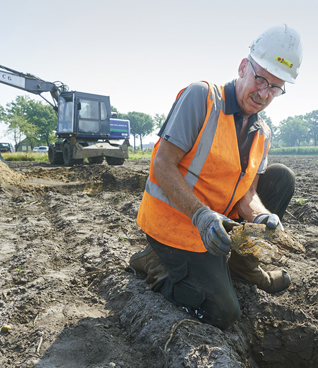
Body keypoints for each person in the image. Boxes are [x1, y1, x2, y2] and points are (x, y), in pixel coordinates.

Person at [129, 25, 303, 330]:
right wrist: (201, 216)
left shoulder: (262, 132)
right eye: (261, 79)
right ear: (242, 68)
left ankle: (241, 266)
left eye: (275, 88)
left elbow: (247, 194)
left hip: (216, 225)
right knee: (223, 312)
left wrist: (263, 217)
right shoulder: (202, 97)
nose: (264, 93)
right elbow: (162, 165)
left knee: (281, 178)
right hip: (177, 224)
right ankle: (154, 263)